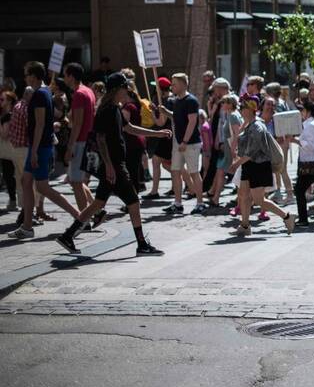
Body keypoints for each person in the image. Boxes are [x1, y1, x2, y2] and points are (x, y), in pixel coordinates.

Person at [54, 72, 170, 256]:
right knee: (133, 202)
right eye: (125, 87)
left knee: (98, 203)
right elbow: (100, 139)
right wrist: (108, 165)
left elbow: (129, 128)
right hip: (114, 165)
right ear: (117, 89)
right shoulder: (106, 110)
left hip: (115, 163)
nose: (128, 90)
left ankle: (68, 236)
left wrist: (158, 133)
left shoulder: (116, 108)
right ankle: (141, 244)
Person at [9, 62, 81, 240]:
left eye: (26, 74)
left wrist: (33, 151)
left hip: (40, 147)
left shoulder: (40, 94)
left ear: (33, 76)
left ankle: (80, 217)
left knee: (42, 187)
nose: (24, 77)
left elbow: (40, 124)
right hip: (39, 146)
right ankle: (26, 226)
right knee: (26, 181)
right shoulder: (43, 92)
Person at [228, 96, 296, 236]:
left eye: (243, 107)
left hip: (259, 166)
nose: (240, 110)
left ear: (250, 110)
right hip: (249, 166)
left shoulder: (257, 126)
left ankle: (287, 217)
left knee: (259, 200)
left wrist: (236, 164)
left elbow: (251, 152)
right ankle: (245, 226)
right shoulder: (249, 124)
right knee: (244, 196)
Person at [164, 73, 206, 214]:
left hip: (191, 143)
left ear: (183, 84)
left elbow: (192, 121)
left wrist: (185, 141)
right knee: (175, 171)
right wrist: (165, 112)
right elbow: (177, 118)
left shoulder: (191, 101)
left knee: (194, 172)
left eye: (174, 83)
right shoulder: (176, 101)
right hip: (178, 143)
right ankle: (177, 203)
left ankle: (200, 203)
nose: (172, 86)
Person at [62, 63, 95, 216]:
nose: (64, 78)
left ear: (71, 76)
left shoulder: (79, 94)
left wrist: (70, 147)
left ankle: (84, 219)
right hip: (86, 140)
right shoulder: (87, 91)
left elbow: (78, 124)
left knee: (75, 182)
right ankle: (97, 211)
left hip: (80, 141)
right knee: (79, 181)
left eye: (65, 75)